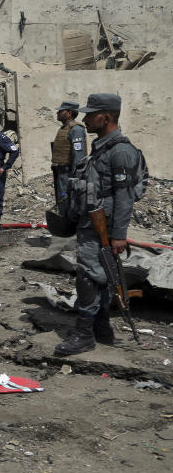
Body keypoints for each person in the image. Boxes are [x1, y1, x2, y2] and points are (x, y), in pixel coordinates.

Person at [55, 94, 144, 356]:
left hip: (103, 228)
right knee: (99, 278)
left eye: (90, 114)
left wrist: (119, 235)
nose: (84, 118)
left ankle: (84, 335)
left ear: (105, 117)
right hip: (91, 225)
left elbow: (125, 196)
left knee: (88, 277)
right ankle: (102, 330)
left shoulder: (121, 152)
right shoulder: (102, 148)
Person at [50, 100, 86, 216]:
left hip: (69, 172)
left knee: (69, 200)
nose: (57, 113)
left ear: (69, 113)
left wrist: (76, 177)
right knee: (62, 199)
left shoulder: (76, 130)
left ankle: (72, 227)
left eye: (61, 111)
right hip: (60, 171)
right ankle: (65, 222)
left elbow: (78, 155)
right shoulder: (63, 129)